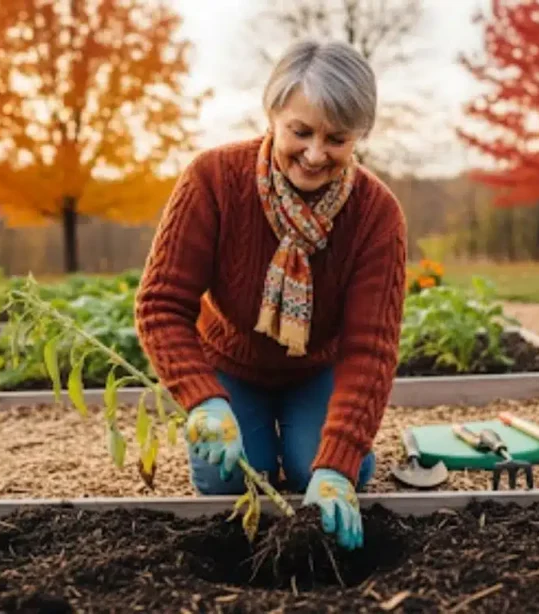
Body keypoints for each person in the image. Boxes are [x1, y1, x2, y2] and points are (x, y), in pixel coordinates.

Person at [134, 39, 407, 551]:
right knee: (229, 480)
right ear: (273, 115)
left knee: (322, 472)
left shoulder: (376, 213)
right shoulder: (212, 180)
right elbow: (161, 304)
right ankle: (241, 425)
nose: (315, 154)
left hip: (315, 371)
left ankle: (318, 453)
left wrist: (338, 464)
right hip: (229, 369)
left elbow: (370, 349)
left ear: (358, 137)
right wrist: (201, 399)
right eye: (300, 132)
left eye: (337, 139)